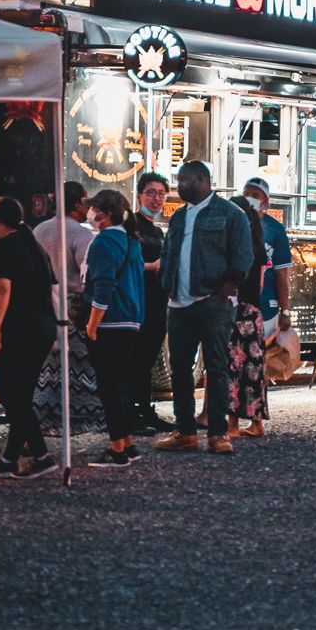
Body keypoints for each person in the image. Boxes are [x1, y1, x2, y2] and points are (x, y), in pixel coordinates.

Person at [155, 161, 253, 456]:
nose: (179, 187)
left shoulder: (230, 214)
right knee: (180, 370)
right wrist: (166, 287)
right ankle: (185, 430)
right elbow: (170, 253)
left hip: (212, 301)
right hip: (179, 303)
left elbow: (243, 255)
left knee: (216, 367)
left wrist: (226, 290)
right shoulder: (179, 218)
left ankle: (218, 433)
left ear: (201, 181)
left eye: (183, 181)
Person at [0, 196, 59, 479]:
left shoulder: (5, 247)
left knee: (12, 394)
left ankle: (42, 455)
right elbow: (52, 287)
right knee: (20, 394)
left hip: (21, 328)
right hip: (43, 328)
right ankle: (10, 459)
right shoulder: (35, 246)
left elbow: (2, 288)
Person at [83, 189, 146, 468]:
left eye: (94, 208)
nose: (90, 213)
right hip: (131, 321)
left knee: (108, 386)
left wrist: (92, 323)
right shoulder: (132, 241)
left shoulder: (104, 242)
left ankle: (117, 447)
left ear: (104, 214)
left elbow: (103, 285)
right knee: (119, 384)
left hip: (110, 321)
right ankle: (128, 442)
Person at [33, 181, 99, 437]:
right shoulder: (81, 235)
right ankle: (75, 419)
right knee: (77, 366)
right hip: (72, 305)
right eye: (85, 201)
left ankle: (42, 416)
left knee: (48, 366)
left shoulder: (39, 230)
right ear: (76, 203)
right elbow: (87, 274)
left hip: (45, 302)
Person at [223, 193, 269, 438]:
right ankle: (256, 422)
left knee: (232, 367)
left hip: (236, 310)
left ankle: (232, 425)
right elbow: (260, 283)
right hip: (254, 312)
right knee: (254, 369)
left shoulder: (234, 245)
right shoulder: (258, 243)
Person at [129, 171, 170, 434]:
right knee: (134, 360)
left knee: (147, 361)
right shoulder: (130, 225)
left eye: (161, 194)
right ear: (140, 194)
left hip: (158, 305)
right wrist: (151, 266)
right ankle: (131, 413)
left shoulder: (157, 230)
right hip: (136, 303)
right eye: (151, 193)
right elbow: (124, 262)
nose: (156, 198)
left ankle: (145, 410)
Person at [242, 175, 293, 339]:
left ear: (265, 200)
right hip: (235, 305)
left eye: (255, 195)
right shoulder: (234, 223)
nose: (250, 199)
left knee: (264, 357)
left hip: (266, 306)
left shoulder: (275, 230)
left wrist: (285, 311)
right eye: (246, 194)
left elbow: (282, 274)